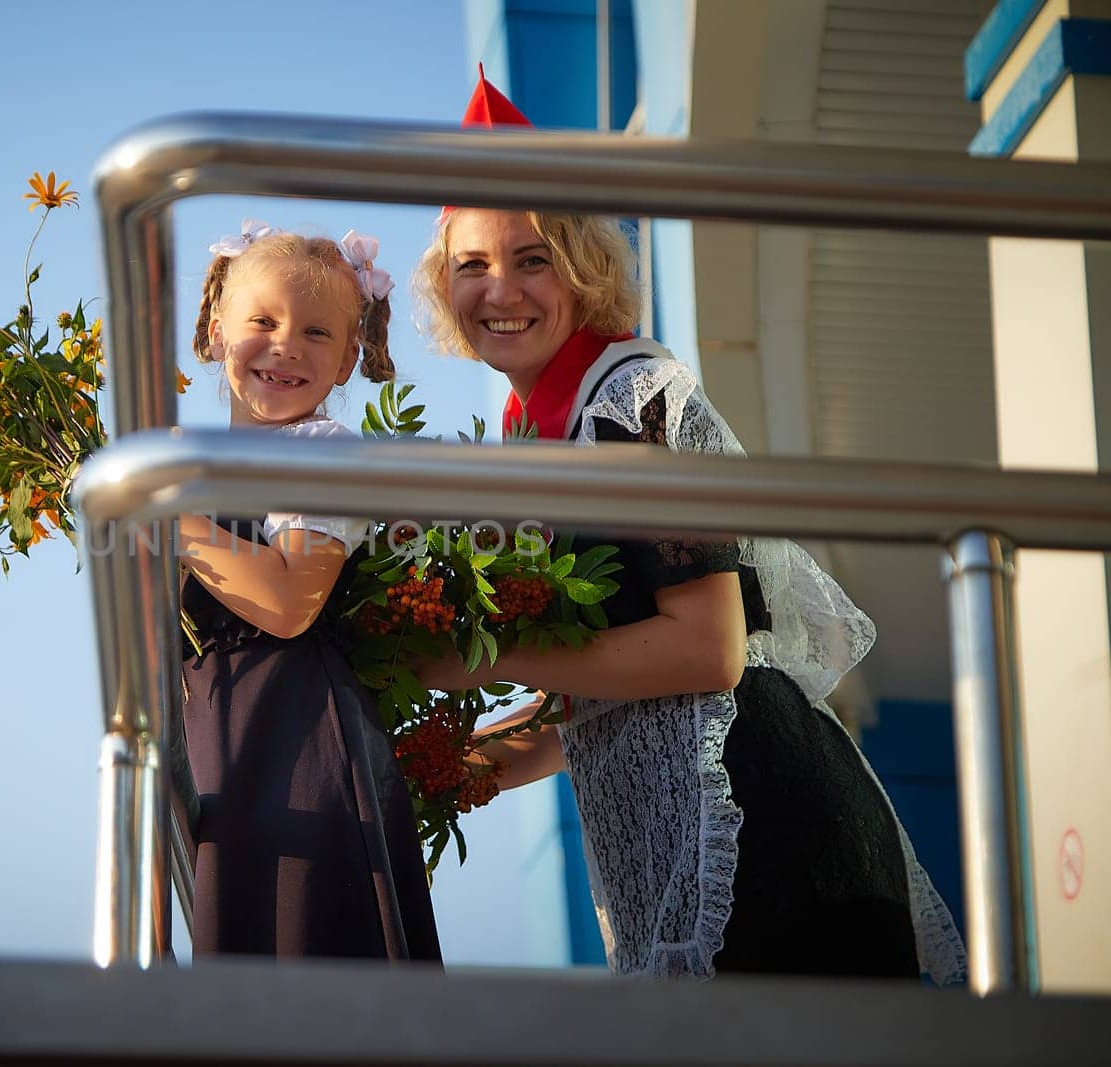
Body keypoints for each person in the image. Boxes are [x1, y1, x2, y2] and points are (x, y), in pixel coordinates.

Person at [409, 71, 965, 982]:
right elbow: (604, 689)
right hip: (687, 840)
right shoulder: (532, 435)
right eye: (472, 264)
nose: (499, 288)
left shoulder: (633, 396)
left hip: (767, 830)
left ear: (583, 266)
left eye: (532, 257)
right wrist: (467, 763)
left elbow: (709, 652)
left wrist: (485, 652)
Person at [174, 221, 442, 961]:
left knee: (311, 950)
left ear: (350, 357)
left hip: (303, 743)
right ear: (217, 325)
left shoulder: (320, 450)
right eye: (262, 320)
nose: (285, 345)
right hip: (222, 744)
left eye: (316, 332)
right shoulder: (190, 466)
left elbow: (290, 603)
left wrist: (169, 519)